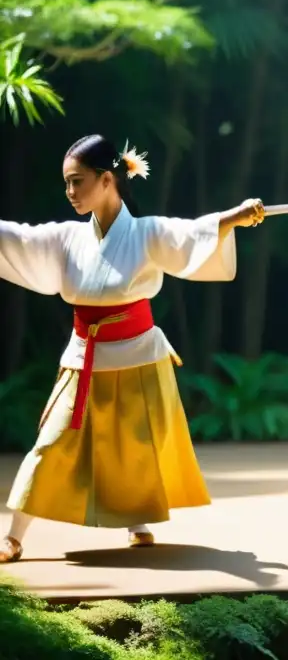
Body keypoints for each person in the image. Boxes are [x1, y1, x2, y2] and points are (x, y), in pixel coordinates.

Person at [0, 134, 264, 564]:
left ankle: (135, 522)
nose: (70, 192)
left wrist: (232, 217)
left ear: (107, 180)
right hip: (85, 355)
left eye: (78, 181)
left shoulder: (146, 233)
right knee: (51, 442)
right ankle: (14, 535)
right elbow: (17, 238)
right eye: (66, 183)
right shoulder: (68, 237)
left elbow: (192, 233)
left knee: (133, 446)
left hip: (138, 355)